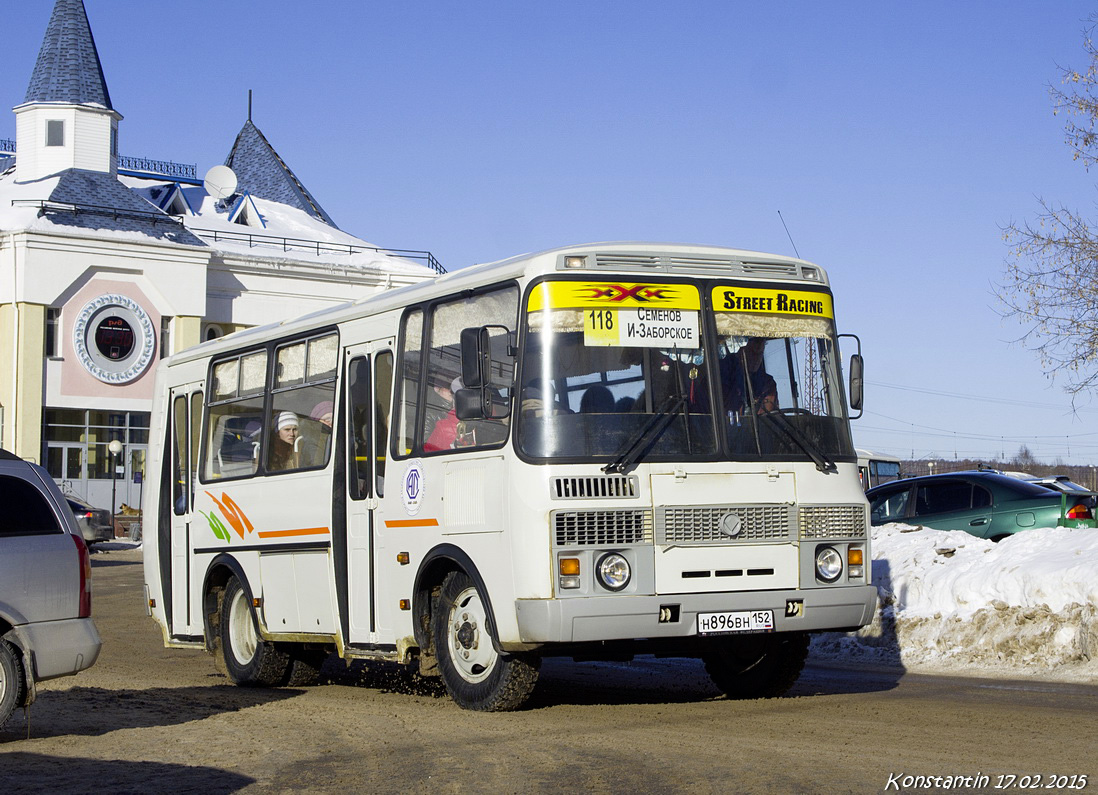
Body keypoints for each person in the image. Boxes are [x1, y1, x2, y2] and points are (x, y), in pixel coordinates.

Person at [725, 337, 778, 417]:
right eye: (752, 353)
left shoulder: (767, 384)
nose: (757, 359)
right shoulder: (721, 379)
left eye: (760, 354)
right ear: (740, 352)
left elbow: (769, 418)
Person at [424, 377, 462, 451]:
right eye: (447, 386)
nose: (451, 390)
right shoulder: (430, 414)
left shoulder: (461, 408)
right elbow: (426, 445)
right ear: (437, 389)